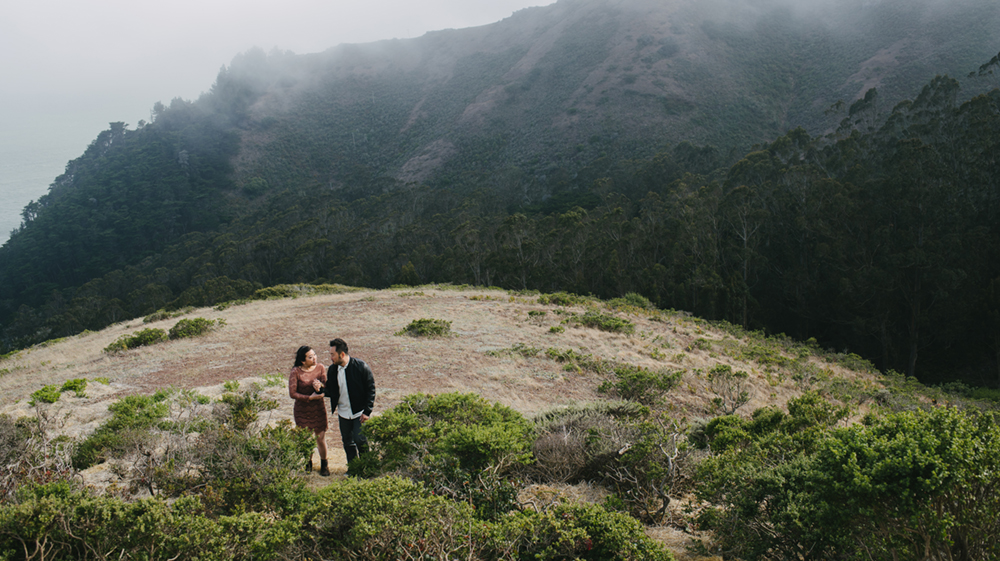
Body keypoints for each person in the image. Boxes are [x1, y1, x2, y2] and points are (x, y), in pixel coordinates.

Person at [314, 338, 375, 473]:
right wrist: (320, 389)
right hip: (343, 413)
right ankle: (353, 469)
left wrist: (367, 411)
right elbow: (331, 391)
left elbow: (371, 389)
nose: (330, 358)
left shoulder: (361, 367)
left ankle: (367, 468)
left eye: (332, 354)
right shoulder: (332, 370)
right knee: (347, 442)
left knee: (360, 440)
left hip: (359, 412)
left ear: (341, 354)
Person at [288, 345, 330, 476]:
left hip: (318, 409)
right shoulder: (296, 372)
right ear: (303, 360)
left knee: (320, 438)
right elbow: (292, 393)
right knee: (306, 439)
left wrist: (320, 388)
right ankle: (308, 463)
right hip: (302, 410)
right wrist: (309, 398)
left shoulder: (320, 368)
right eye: (310, 357)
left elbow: (327, 387)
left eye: (314, 355)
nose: (314, 358)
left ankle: (324, 464)